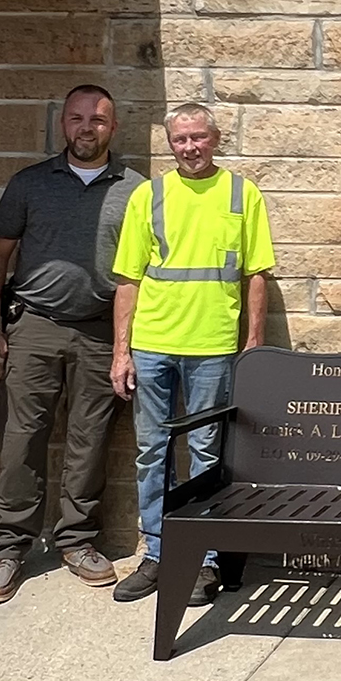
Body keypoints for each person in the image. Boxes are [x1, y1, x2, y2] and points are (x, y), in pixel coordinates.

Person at [0, 86, 147, 603]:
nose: (86, 128)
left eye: (97, 119)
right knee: (21, 437)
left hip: (101, 331)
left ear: (112, 128)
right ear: (62, 126)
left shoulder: (138, 189)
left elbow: (141, 271)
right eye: (76, 119)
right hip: (35, 326)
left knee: (89, 439)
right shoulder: (30, 183)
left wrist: (127, 343)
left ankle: (76, 540)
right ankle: (9, 547)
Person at [109, 103, 274, 605]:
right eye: (180, 140)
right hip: (154, 346)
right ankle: (158, 554)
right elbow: (128, 279)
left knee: (206, 454)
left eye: (198, 137)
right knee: (151, 453)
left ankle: (202, 561)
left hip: (213, 348)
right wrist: (121, 351)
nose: (190, 148)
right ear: (170, 143)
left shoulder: (241, 194)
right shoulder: (149, 195)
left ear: (216, 139)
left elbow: (257, 274)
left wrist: (254, 343)